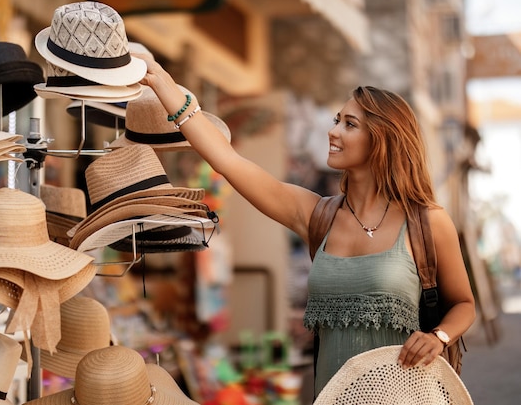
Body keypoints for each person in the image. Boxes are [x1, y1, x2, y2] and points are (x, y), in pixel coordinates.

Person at [137, 54, 476, 397]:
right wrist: (164, 84)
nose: (332, 131)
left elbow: (464, 303)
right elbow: (227, 160)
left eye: (350, 124)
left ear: (382, 140)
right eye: (336, 120)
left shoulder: (427, 222)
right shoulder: (316, 215)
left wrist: (439, 336)